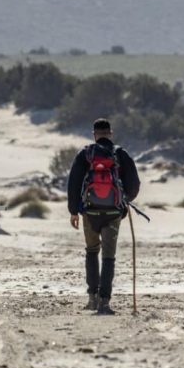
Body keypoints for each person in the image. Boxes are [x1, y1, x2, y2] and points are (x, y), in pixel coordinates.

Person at [66, 118, 141, 315]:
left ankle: (92, 297)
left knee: (91, 251)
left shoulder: (86, 153)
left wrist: (73, 211)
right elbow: (134, 183)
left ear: (94, 134)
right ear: (110, 133)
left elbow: (73, 182)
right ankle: (105, 302)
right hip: (113, 212)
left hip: (89, 211)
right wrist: (124, 200)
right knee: (109, 256)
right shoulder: (120, 153)